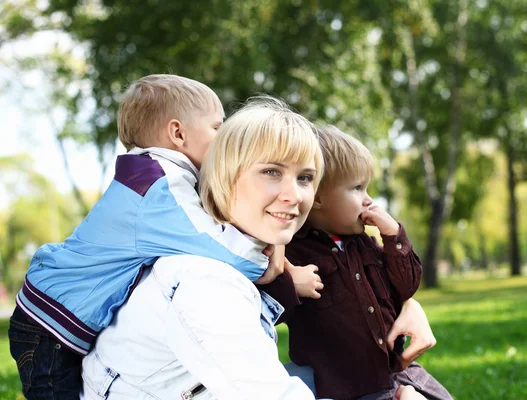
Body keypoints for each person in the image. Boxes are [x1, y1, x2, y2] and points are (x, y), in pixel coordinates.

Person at [8, 75, 284, 400]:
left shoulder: (149, 177)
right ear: (178, 133)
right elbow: (214, 245)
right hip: (48, 327)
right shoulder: (159, 186)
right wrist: (270, 253)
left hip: (54, 318)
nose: (225, 139)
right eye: (217, 128)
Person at [80, 96, 324, 399]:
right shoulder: (207, 279)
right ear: (225, 177)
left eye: (305, 178)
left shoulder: (222, 257)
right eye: (272, 172)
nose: (294, 195)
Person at [260, 125, 453, 400]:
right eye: (357, 188)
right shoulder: (294, 254)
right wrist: (291, 285)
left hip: (396, 372)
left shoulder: (365, 244)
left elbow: (406, 287)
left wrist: (394, 238)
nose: (368, 199)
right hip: (346, 385)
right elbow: (268, 314)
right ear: (318, 197)